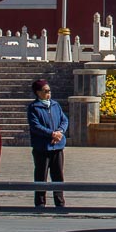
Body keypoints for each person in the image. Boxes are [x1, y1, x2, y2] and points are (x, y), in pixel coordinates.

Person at [27, 78, 67, 208]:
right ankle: (40, 203)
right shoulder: (34, 108)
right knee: (41, 176)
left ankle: (60, 203)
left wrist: (60, 132)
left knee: (58, 176)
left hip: (57, 146)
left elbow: (64, 120)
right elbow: (35, 126)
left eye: (49, 91)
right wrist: (51, 134)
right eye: (46, 91)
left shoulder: (55, 105)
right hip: (42, 147)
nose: (49, 93)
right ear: (38, 92)